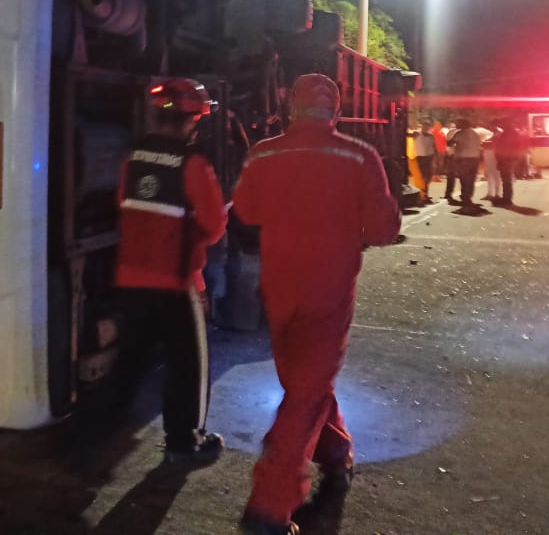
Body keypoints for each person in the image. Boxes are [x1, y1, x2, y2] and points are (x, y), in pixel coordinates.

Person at [233, 74, 401, 535]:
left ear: (291, 107)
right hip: (329, 293)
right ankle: (268, 508)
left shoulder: (263, 152)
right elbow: (384, 229)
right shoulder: (359, 155)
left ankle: (336, 457)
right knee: (305, 393)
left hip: (279, 290)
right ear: (337, 110)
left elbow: (246, 213)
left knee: (307, 384)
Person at [113, 78, 227, 464]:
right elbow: (214, 225)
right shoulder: (193, 164)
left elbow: (124, 206)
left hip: (129, 278)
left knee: (130, 359)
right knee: (186, 366)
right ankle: (183, 442)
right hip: (177, 283)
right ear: (192, 120)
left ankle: (100, 436)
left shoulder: (132, 160)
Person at [448, 119, 483, 207]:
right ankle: (468, 198)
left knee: (464, 180)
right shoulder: (475, 133)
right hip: (474, 159)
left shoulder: (461, 133)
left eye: (458, 124)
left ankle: (465, 199)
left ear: (463, 125)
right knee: (471, 180)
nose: (457, 125)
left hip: (464, 159)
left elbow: (450, 143)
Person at [495, 119, 528, 207]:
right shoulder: (513, 133)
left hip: (506, 159)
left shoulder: (507, 134)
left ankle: (507, 199)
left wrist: (499, 158)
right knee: (507, 179)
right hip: (510, 158)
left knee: (506, 180)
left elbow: (503, 147)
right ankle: (507, 198)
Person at [412, 121, 436, 204]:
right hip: (420, 158)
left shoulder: (431, 136)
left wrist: (434, 159)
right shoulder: (416, 134)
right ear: (422, 127)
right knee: (422, 178)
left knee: (428, 178)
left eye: (427, 126)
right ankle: (421, 196)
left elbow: (434, 147)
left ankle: (425, 195)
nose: (425, 128)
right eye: (424, 126)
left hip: (429, 158)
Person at [481, 122, 502, 204]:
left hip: (494, 155)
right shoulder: (494, 133)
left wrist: (485, 143)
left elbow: (493, 143)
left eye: (491, 126)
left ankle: (497, 194)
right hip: (490, 156)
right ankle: (490, 193)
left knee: (496, 175)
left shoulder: (499, 133)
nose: (490, 128)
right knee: (490, 174)